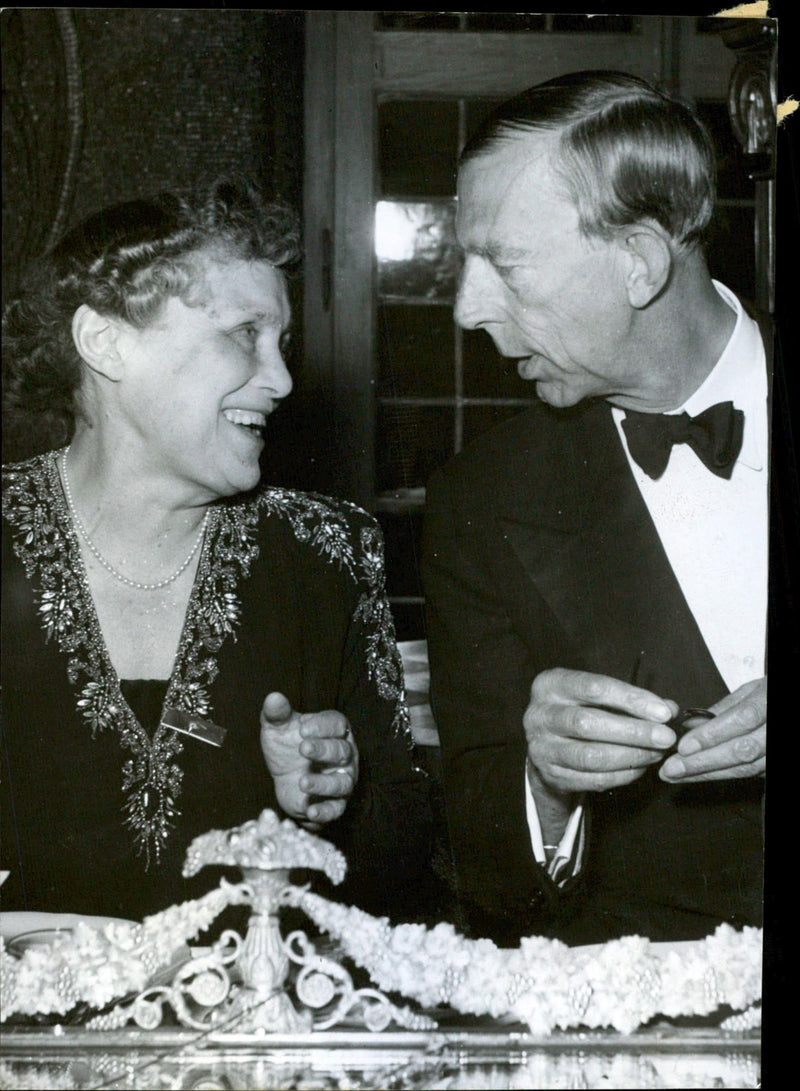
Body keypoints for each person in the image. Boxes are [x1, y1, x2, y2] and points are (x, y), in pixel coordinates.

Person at [1, 178, 434, 931]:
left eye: (282, 343)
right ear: (104, 342)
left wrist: (342, 790)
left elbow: (404, 863)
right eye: (244, 334)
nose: (283, 378)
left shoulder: (326, 550)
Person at [422, 71, 768, 947]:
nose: (468, 307)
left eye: (504, 262)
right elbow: (479, 859)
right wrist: (546, 786)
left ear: (640, 263)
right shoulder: (483, 499)